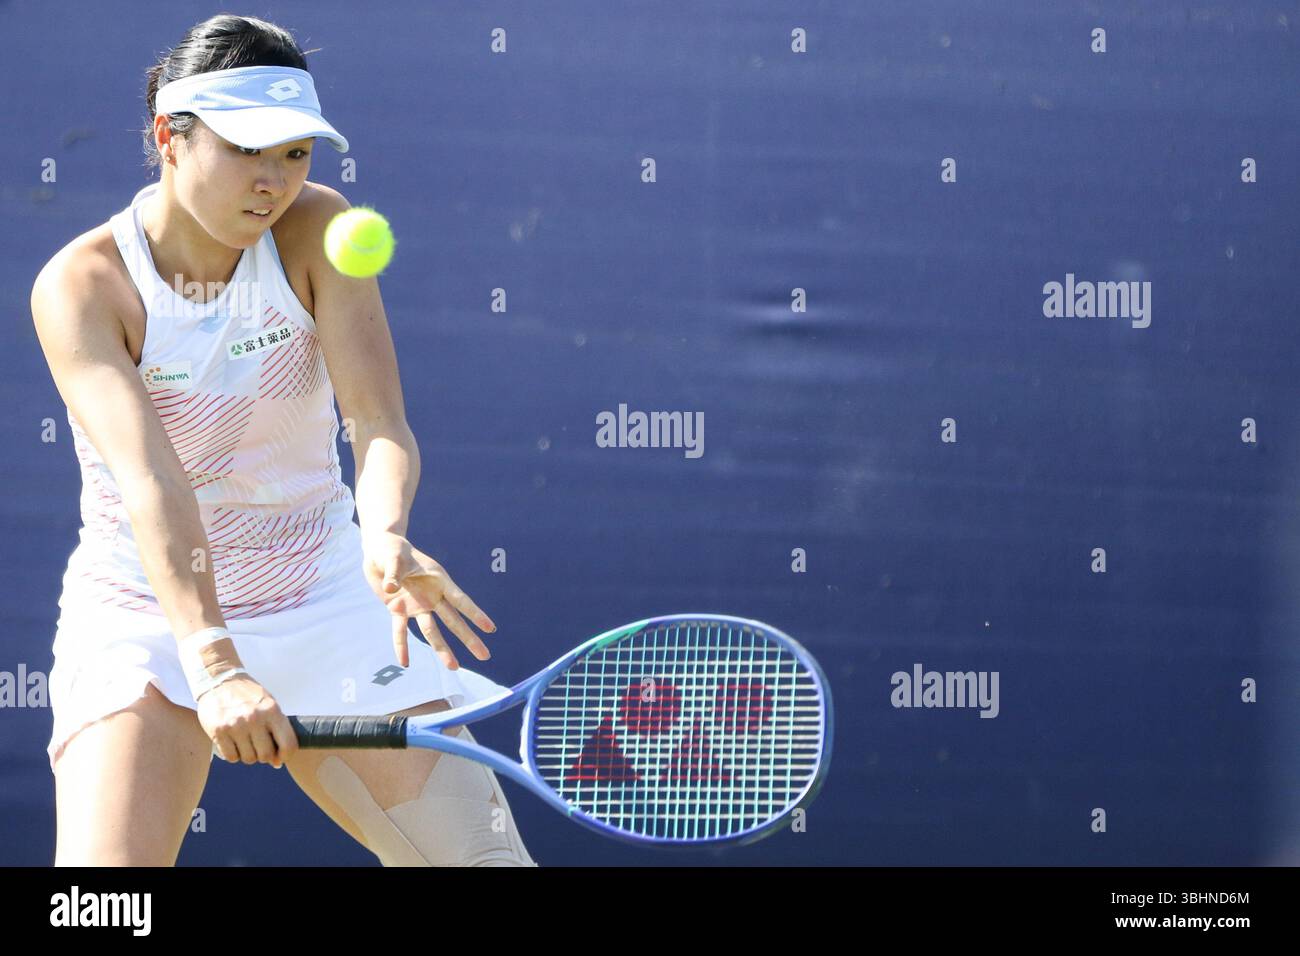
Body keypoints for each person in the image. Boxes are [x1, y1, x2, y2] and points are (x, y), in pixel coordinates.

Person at [29, 14, 536, 867]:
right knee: (103, 908)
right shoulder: (84, 286)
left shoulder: (319, 231)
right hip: (148, 614)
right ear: (170, 138)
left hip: (321, 593)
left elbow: (376, 424)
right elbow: (153, 481)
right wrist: (214, 661)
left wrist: (383, 537)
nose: (274, 182)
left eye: (296, 153)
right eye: (248, 150)